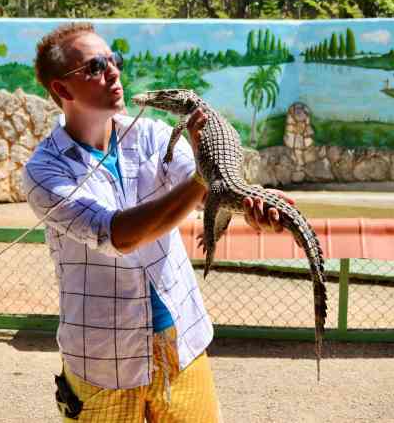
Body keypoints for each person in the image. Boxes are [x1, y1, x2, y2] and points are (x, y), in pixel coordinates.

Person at [22, 22, 293, 422]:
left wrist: (256, 211)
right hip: (102, 360)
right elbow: (118, 234)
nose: (113, 71)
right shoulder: (44, 171)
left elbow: (205, 196)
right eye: (95, 67)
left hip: (182, 342)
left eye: (114, 60)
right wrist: (206, 176)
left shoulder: (151, 135)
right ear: (62, 90)